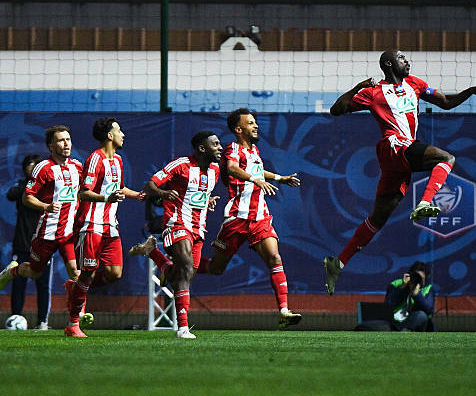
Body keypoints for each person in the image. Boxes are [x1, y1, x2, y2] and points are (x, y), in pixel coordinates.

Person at [324, 50, 476, 295]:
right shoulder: (373, 92)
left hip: (399, 159)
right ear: (389, 64)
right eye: (402, 58)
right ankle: (424, 202)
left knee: (377, 219)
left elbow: (445, 103)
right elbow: (336, 110)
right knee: (447, 158)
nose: (408, 61)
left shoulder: (415, 84)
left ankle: (337, 264)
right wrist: (357, 87)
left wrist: (468, 92)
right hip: (394, 145)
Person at [196, 108, 302, 329]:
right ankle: (181, 267)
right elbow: (232, 168)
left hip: (260, 217)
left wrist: (280, 178)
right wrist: (255, 180)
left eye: (255, 122)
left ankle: (284, 311)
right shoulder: (232, 149)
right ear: (239, 129)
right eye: (251, 123)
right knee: (216, 268)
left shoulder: (254, 150)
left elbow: (259, 172)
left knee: (274, 257)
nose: (256, 126)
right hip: (237, 218)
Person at [65, 117, 145, 337]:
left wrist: (139, 195)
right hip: (90, 225)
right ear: (110, 135)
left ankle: (75, 287)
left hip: (110, 225)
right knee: (88, 273)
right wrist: (106, 198)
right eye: (119, 131)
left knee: (114, 273)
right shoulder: (95, 159)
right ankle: (73, 324)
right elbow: (83, 193)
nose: (123, 134)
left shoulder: (117, 160)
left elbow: (120, 188)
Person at [141, 130, 222, 339]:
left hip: (199, 228)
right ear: (202, 148)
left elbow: (198, 193)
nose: (220, 148)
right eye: (215, 144)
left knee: (184, 276)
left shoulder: (215, 170)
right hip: (176, 223)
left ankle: (156, 255)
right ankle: (183, 328)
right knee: (185, 268)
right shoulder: (180, 165)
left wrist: (207, 201)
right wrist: (164, 193)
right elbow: (150, 186)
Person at [0, 126, 82, 305]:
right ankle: (13, 271)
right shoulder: (43, 168)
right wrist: (46, 206)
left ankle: (78, 315)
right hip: (47, 232)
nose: (66, 144)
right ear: (51, 146)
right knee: (35, 273)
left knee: (76, 272)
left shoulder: (78, 167)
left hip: (68, 233)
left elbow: (80, 193)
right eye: (61, 140)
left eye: (68, 139)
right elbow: (27, 198)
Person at [6, 154, 53, 330]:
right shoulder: (21, 186)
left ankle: (42, 322)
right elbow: (10, 194)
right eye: (30, 166)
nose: (32, 169)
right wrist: (30, 185)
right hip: (22, 243)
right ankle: (15, 317)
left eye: (35, 166)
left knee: (43, 285)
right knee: (18, 282)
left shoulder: (47, 189)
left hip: (43, 243)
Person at [385, 261, 435, 332]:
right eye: (415, 277)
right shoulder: (396, 284)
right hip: (397, 322)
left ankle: (406, 331)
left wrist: (417, 295)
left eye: (421, 278)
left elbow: (429, 310)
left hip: (418, 323)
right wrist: (403, 288)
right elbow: (389, 304)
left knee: (421, 316)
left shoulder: (428, 289)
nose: (417, 280)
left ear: (426, 278)